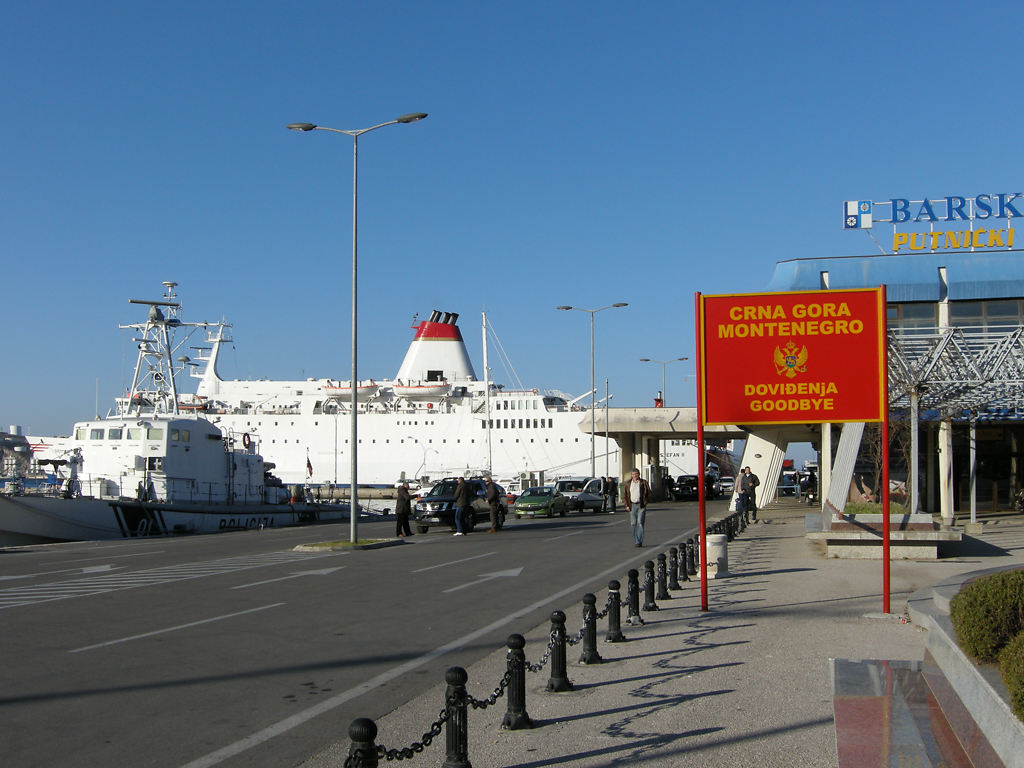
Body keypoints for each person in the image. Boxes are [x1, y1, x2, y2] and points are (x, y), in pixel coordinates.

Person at [621, 468, 650, 547]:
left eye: (636, 474)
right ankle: (636, 540)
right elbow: (625, 495)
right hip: (632, 505)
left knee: (640, 522)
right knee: (633, 523)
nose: (635, 476)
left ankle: (639, 541)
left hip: (641, 505)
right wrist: (626, 505)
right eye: (633, 474)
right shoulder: (628, 484)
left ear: (639, 474)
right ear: (631, 475)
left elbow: (648, 492)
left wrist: (645, 501)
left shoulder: (643, 483)